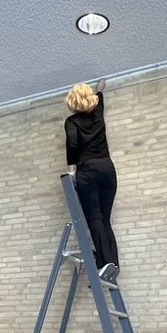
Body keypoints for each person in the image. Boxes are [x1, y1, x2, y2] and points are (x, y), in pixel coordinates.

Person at [65, 78, 119, 283]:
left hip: (88, 170)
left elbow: (72, 145)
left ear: (72, 102)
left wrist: (72, 171)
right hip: (107, 170)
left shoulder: (72, 122)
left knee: (94, 218)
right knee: (105, 219)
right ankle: (113, 264)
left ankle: (104, 263)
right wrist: (99, 89)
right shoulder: (97, 112)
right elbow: (99, 99)